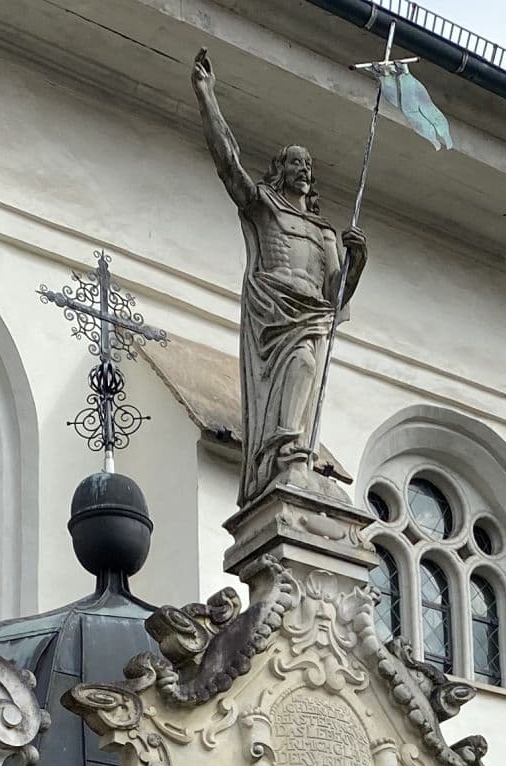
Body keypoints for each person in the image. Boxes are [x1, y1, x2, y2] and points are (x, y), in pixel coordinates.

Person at [192, 50, 367, 505]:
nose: (304, 170)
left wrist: (358, 262)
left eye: (308, 166)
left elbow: (335, 294)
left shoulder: (325, 232)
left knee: (308, 373)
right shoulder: (266, 207)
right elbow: (229, 165)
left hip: (311, 315)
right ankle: (285, 453)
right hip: (275, 313)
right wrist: (208, 97)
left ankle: (295, 454)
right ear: (280, 170)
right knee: (304, 367)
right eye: (295, 163)